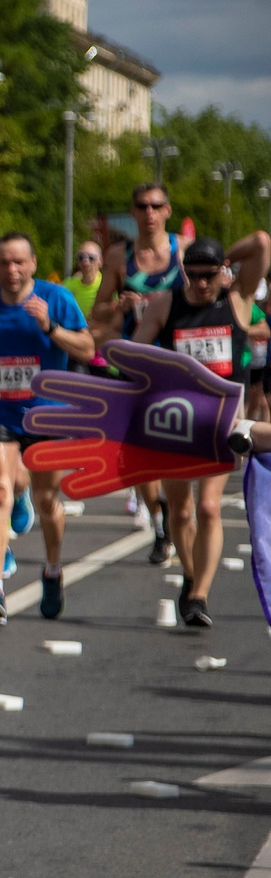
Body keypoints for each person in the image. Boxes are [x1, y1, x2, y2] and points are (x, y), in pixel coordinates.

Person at [0, 233, 95, 623]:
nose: (11, 270)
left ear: (33, 263)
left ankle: (52, 569)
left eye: (19, 262)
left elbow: (87, 349)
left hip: (46, 413)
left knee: (47, 499)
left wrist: (50, 327)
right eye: (4, 262)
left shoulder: (56, 298)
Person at [133, 238, 257, 627]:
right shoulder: (166, 305)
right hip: (177, 423)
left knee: (208, 507)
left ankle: (200, 595)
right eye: (194, 275)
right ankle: (189, 573)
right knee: (181, 509)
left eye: (209, 275)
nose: (202, 284)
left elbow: (262, 242)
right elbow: (135, 355)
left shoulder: (237, 301)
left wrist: (226, 258)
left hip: (222, 423)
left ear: (222, 272)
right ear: (184, 272)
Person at [105, 186, 188, 562]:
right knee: (135, 452)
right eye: (142, 206)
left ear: (167, 210)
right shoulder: (118, 256)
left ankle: (178, 513)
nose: (149, 212)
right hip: (136, 363)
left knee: (174, 450)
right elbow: (98, 313)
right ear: (133, 211)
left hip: (180, 364)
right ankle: (159, 523)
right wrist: (118, 305)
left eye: (156, 205)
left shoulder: (183, 250)